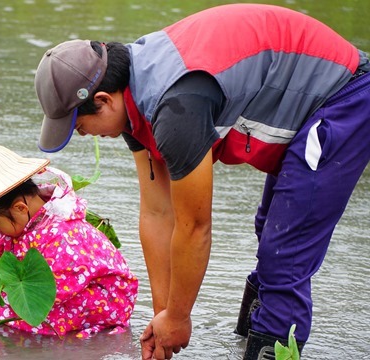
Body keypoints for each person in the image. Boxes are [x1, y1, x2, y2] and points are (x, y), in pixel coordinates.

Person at [32, 3, 370, 360]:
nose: (84, 136)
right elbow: (158, 214)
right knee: (271, 231)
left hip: (342, 95)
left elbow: (195, 227)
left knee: (286, 251)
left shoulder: (176, 105)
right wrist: (165, 319)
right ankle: (251, 340)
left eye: (80, 127)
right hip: (303, 98)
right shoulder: (131, 104)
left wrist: (179, 317)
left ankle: (270, 345)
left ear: (103, 100)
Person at [0, 143, 138, 338]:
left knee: (19, 324)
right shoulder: (10, 220)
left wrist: (8, 305)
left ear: (20, 209)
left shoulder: (65, 234)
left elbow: (47, 292)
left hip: (99, 298)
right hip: (54, 292)